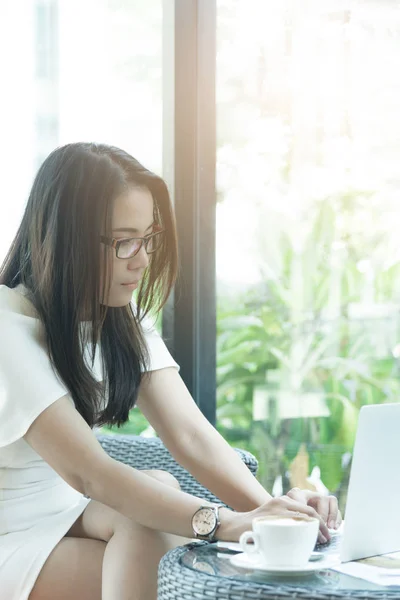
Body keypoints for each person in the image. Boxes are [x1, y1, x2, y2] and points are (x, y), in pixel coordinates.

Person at [0, 142, 341, 600]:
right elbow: (91, 474)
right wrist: (224, 523)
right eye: (124, 241)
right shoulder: (9, 329)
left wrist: (277, 515)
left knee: (156, 498)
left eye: (147, 238)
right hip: (12, 534)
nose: (140, 260)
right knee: (160, 542)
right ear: (67, 241)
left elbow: (191, 436)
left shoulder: (117, 316)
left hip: (70, 515)